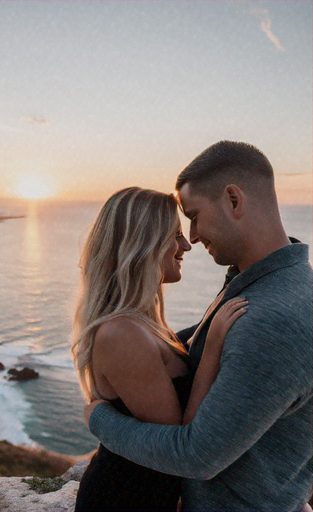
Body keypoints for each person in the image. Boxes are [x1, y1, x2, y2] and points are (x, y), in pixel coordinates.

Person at [85, 141, 313, 511]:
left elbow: (196, 457)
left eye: (193, 216)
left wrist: (99, 419)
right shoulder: (265, 285)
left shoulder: (272, 316)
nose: (190, 237)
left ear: (233, 200)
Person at [72, 187, 248, 511]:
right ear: (143, 243)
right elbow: (179, 446)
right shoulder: (122, 333)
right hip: (122, 502)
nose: (185, 246)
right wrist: (212, 347)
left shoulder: (143, 322)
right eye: (175, 235)